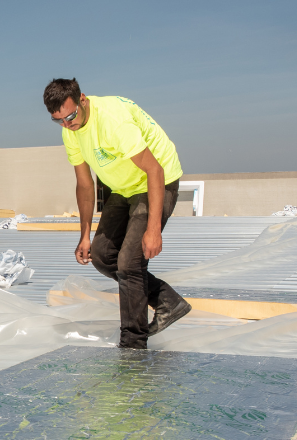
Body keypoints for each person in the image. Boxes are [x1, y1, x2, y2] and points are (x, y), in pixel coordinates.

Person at [43, 78, 190, 349]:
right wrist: (84, 235)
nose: (67, 124)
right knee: (102, 255)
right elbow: (85, 185)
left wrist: (153, 229)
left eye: (71, 116)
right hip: (122, 188)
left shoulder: (113, 121)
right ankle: (168, 302)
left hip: (156, 181)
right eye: (59, 120)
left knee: (130, 262)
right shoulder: (70, 130)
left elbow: (155, 170)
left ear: (82, 99)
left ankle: (133, 345)